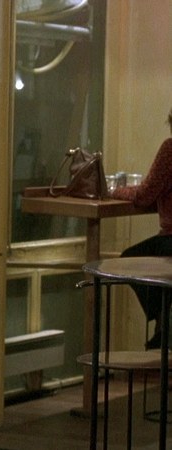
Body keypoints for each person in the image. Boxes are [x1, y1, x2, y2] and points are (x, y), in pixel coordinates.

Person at [109, 107, 172, 350]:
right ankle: (163, 320)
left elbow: (144, 195)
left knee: (129, 260)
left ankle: (162, 322)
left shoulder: (169, 149)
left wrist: (114, 192)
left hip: (170, 241)